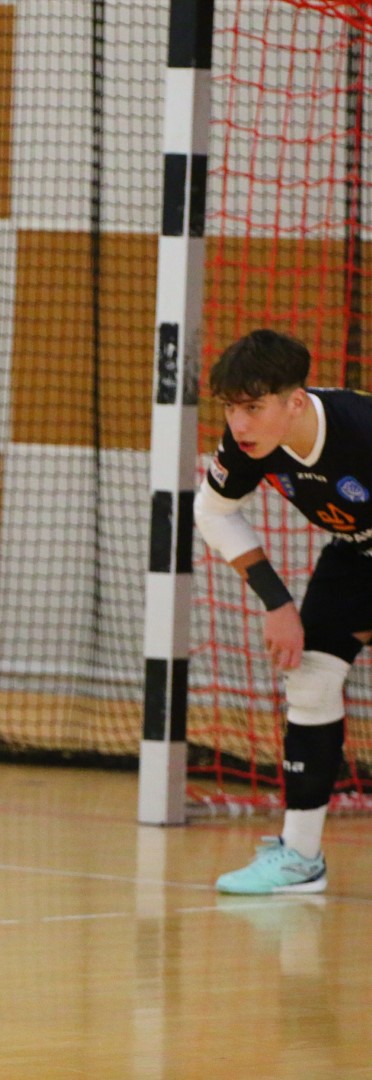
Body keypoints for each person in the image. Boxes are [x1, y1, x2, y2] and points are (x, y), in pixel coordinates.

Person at [196, 328, 364, 894]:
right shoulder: (246, 446)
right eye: (230, 408)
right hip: (356, 553)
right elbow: (213, 512)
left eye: (253, 408)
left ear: (295, 402)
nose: (239, 424)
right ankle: (301, 858)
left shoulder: (360, 430)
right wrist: (277, 602)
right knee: (311, 678)